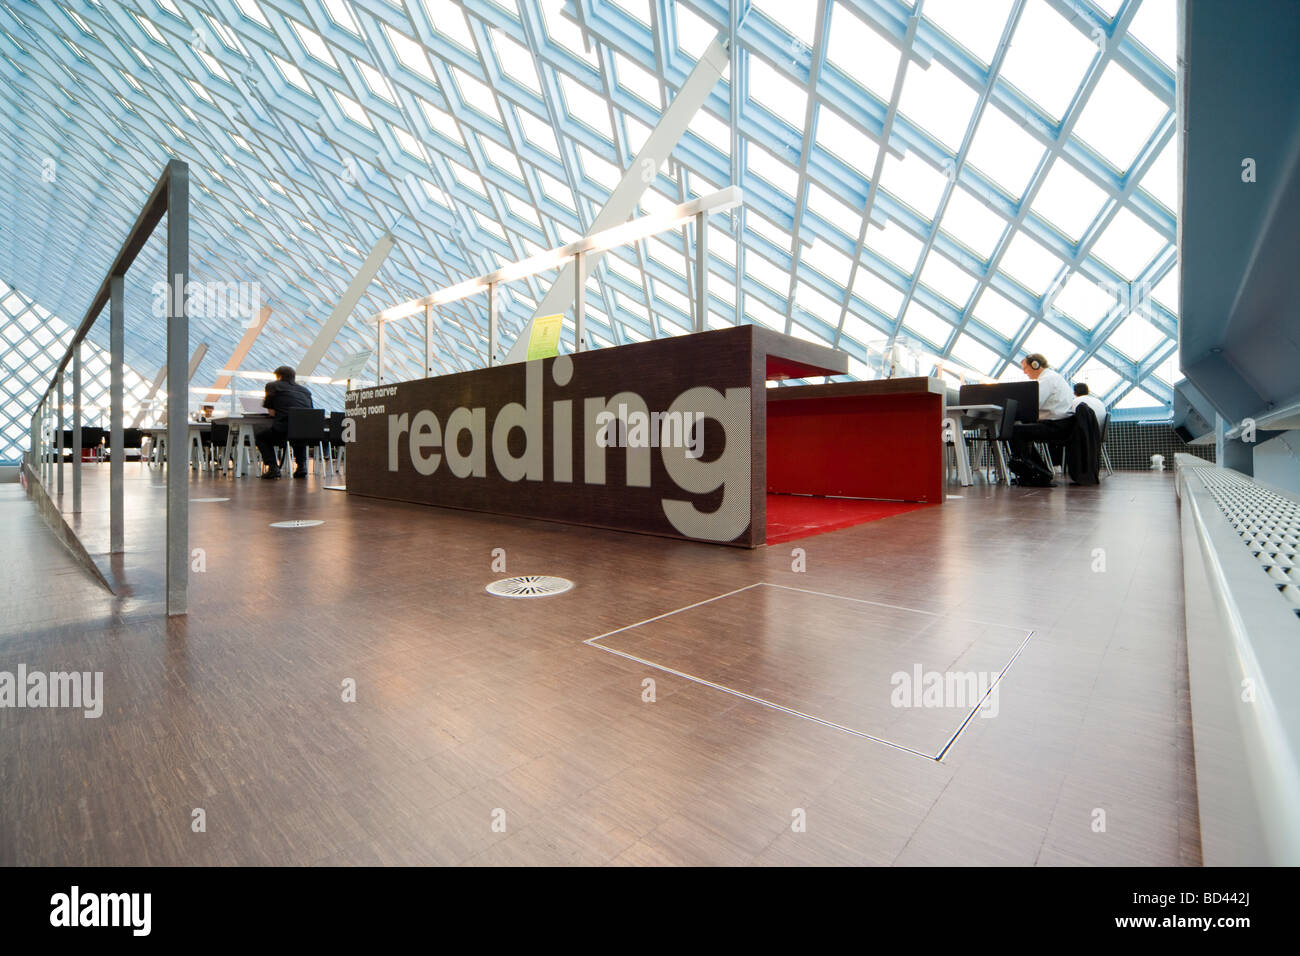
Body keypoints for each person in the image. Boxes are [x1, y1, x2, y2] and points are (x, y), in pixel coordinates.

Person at [1009, 353, 1075, 473]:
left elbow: (1033, 404)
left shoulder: (1046, 380)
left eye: (1025, 368)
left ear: (1035, 365)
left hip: (1056, 426)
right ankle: (1035, 469)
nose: (1024, 372)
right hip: (1063, 424)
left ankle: (1037, 471)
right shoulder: (1052, 377)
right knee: (1018, 429)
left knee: (1013, 431)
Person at [254, 366, 314, 479]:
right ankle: (302, 467)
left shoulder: (272, 386)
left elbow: (271, 412)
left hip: (284, 429)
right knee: (299, 434)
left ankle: (273, 468)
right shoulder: (306, 391)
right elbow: (309, 412)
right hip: (306, 431)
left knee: (261, 438)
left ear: (279, 376)